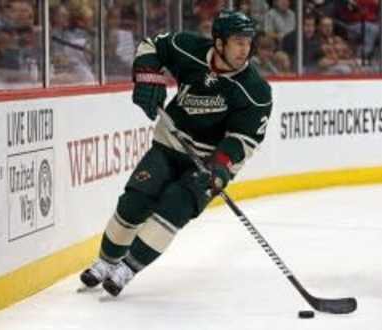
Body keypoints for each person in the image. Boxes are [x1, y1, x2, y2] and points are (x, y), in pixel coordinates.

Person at [79, 9, 273, 297]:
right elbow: (151, 45)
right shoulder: (189, 48)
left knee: (174, 208)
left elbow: (243, 139)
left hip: (207, 164)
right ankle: (106, 262)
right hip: (169, 145)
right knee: (134, 203)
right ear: (219, 43)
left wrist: (220, 167)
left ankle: (127, 269)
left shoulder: (255, 90)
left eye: (248, 42)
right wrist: (148, 77)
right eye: (238, 42)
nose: (245, 49)